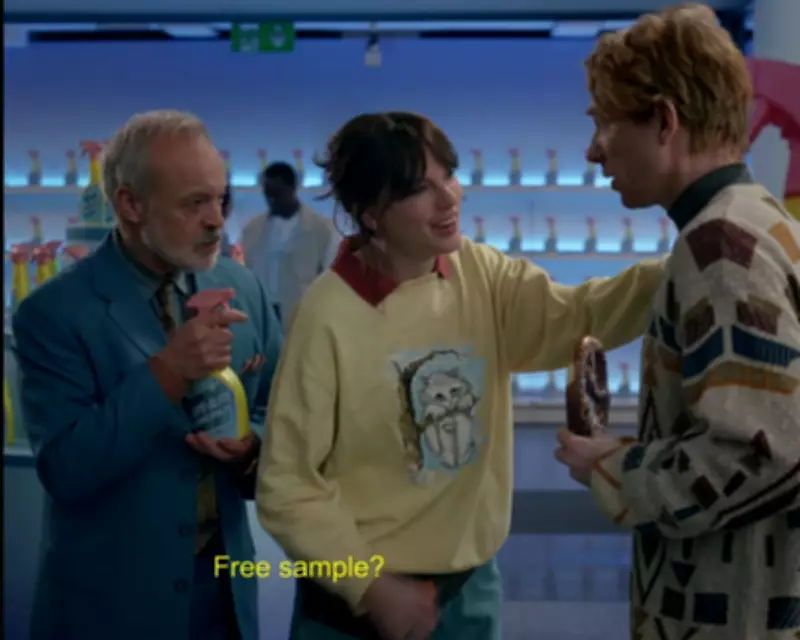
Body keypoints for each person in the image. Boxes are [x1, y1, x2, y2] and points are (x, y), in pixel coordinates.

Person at [255, 110, 667, 640]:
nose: (449, 198)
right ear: (371, 214)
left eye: (448, 175)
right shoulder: (326, 316)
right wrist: (372, 588)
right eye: (419, 189)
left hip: (471, 588)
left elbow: (579, 315)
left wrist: (681, 267)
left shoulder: (481, 273)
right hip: (358, 606)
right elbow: (287, 485)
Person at [554, 5, 800, 640]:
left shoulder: (719, 244)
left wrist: (613, 467)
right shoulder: (761, 221)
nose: (592, 150)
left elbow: (760, 452)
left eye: (604, 122)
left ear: (664, 121)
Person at [13, 110, 282, 640]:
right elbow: (66, 469)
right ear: (130, 205)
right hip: (111, 610)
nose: (216, 221)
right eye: (194, 203)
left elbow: (282, 412)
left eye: (220, 199)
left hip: (225, 601)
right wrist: (168, 372)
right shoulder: (53, 313)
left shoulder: (243, 287)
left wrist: (251, 448)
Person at [238, 161, 339, 325]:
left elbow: (328, 278)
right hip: (262, 313)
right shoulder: (252, 229)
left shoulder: (320, 230)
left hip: (303, 314)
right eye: (268, 195)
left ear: (293, 188)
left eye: (277, 194)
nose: (272, 200)